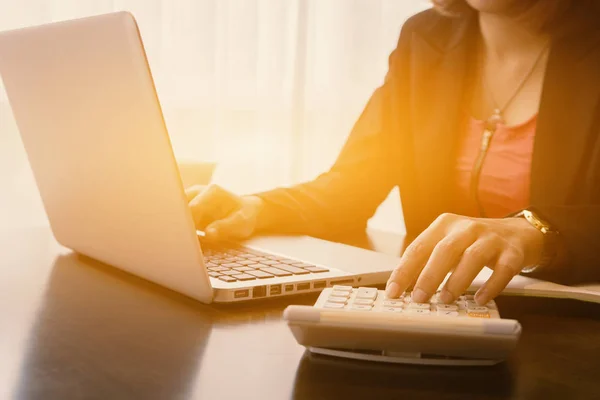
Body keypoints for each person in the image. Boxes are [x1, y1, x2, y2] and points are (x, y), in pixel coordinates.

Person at [186, 0, 600, 305]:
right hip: (440, 313)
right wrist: (256, 207)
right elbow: (353, 182)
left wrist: (536, 233)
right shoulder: (425, 37)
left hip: (566, 332)